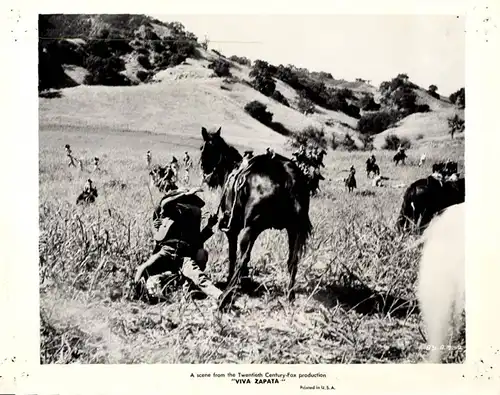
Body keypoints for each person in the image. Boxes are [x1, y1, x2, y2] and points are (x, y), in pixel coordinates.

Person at [132, 188, 223, 302]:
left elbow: (197, 241)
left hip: (183, 257)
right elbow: (165, 203)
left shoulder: (192, 220)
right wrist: (184, 193)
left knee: (198, 276)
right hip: (166, 252)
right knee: (143, 269)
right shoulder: (171, 212)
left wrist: (209, 226)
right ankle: (135, 294)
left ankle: (220, 296)